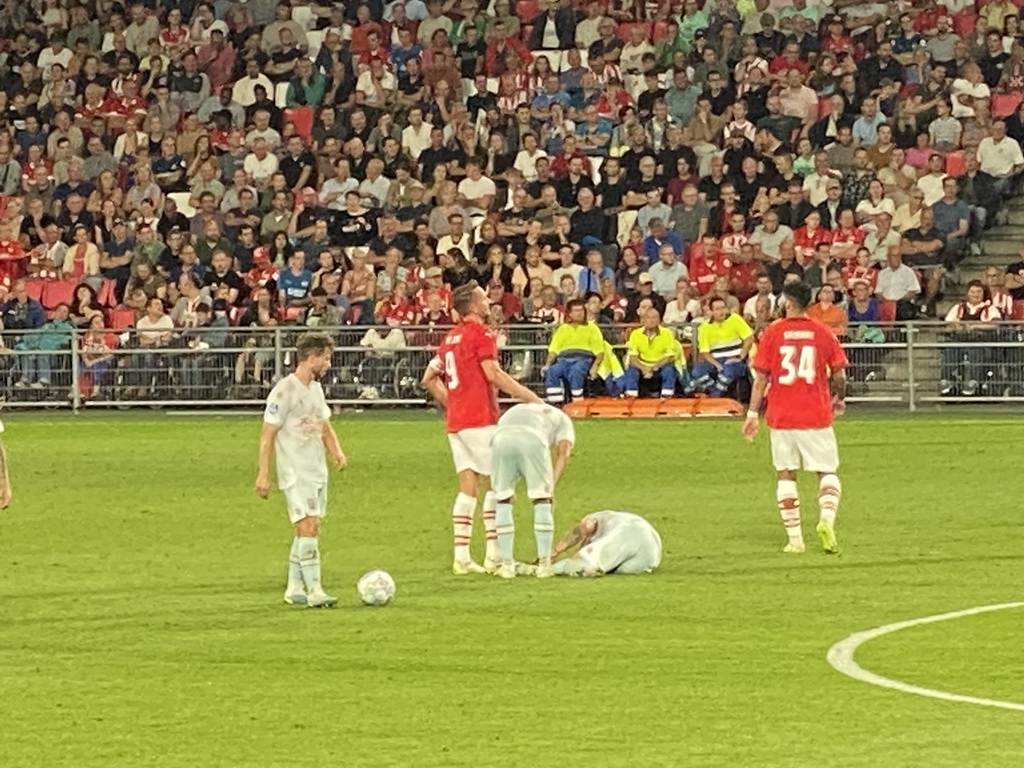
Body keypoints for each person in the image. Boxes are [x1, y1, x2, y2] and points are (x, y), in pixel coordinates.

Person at [421, 281, 542, 575]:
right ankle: (494, 554)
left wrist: (453, 402)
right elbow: (494, 374)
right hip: (479, 420)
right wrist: (532, 398)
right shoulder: (483, 334)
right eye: (484, 299)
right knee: (498, 485)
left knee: (468, 487)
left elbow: (428, 378)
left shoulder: (449, 338)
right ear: (474, 306)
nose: (489, 302)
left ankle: (462, 556)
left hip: (456, 423)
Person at [742, 281, 848, 555]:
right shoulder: (823, 332)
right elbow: (839, 374)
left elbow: (761, 377)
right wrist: (838, 398)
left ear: (788, 302)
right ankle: (826, 520)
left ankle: (795, 540)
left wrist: (753, 413)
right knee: (827, 471)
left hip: (782, 414)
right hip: (816, 413)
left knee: (786, 474)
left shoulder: (773, 333)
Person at [255, 332, 347, 609]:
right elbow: (267, 434)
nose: (329, 363)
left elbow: (323, 424)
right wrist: (263, 474)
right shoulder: (284, 391)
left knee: (310, 528)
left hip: (316, 468)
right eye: (326, 358)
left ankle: (294, 586)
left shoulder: (315, 389)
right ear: (311, 359)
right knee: (308, 525)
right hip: (296, 471)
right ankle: (315, 589)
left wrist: (336, 451)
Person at [490, 402, 575, 580]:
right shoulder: (563, 419)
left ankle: (507, 566)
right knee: (542, 499)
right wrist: (550, 487)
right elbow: (563, 453)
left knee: (503, 499)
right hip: (533, 439)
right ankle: (544, 565)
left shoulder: (519, 408)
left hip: (500, 438)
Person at [537, 510, 662, 577]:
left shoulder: (597, 523)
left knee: (578, 564)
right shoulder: (610, 518)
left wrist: (554, 553)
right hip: (651, 554)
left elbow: (586, 527)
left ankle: (542, 571)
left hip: (626, 535)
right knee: (623, 568)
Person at [542, 298, 606, 404]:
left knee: (576, 371)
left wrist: (595, 367)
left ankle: (577, 402)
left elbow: (599, 352)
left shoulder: (592, 328)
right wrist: (547, 364)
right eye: (576, 311)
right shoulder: (562, 329)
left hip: (583, 359)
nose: (579, 314)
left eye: (581, 310)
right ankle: (556, 404)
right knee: (552, 371)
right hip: (563, 360)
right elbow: (553, 350)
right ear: (569, 314)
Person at [623, 308, 682, 398]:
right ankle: (631, 397)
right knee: (631, 371)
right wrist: (644, 368)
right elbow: (633, 357)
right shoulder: (635, 334)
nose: (651, 320)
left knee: (669, 370)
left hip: (660, 364)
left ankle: (667, 397)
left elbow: (668, 357)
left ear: (659, 320)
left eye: (654, 317)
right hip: (642, 364)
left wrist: (654, 367)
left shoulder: (667, 333)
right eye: (648, 317)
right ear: (643, 320)